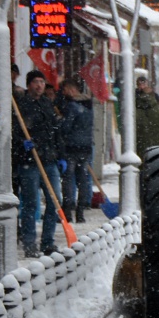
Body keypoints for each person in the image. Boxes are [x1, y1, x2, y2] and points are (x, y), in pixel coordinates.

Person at [12, 70, 62, 257]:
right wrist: (21, 143)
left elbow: (55, 132)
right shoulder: (21, 106)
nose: (39, 85)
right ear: (29, 84)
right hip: (30, 162)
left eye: (42, 81)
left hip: (49, 160)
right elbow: (14, 132)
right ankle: (29, 243)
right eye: (35, 82)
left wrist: (60, 155)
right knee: (31, 204)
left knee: (55, 200)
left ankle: (48, 242)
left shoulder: (47, 104)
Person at [56, 79, 94, 224]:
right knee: (83, 180)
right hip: (86, 147)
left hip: (72, 148)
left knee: (68, 179)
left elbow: (66, 127)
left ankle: (68, 210)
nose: (63, 93)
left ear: (71, 90)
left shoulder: (72, 106)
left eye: (64, 90)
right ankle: (80, 212)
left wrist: (59, 122)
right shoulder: (88, 105)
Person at [133, 70, 159, 158]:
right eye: (140, 84)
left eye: (143, 84)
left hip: (140, 148)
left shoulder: (133, 111)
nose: (142, 86)